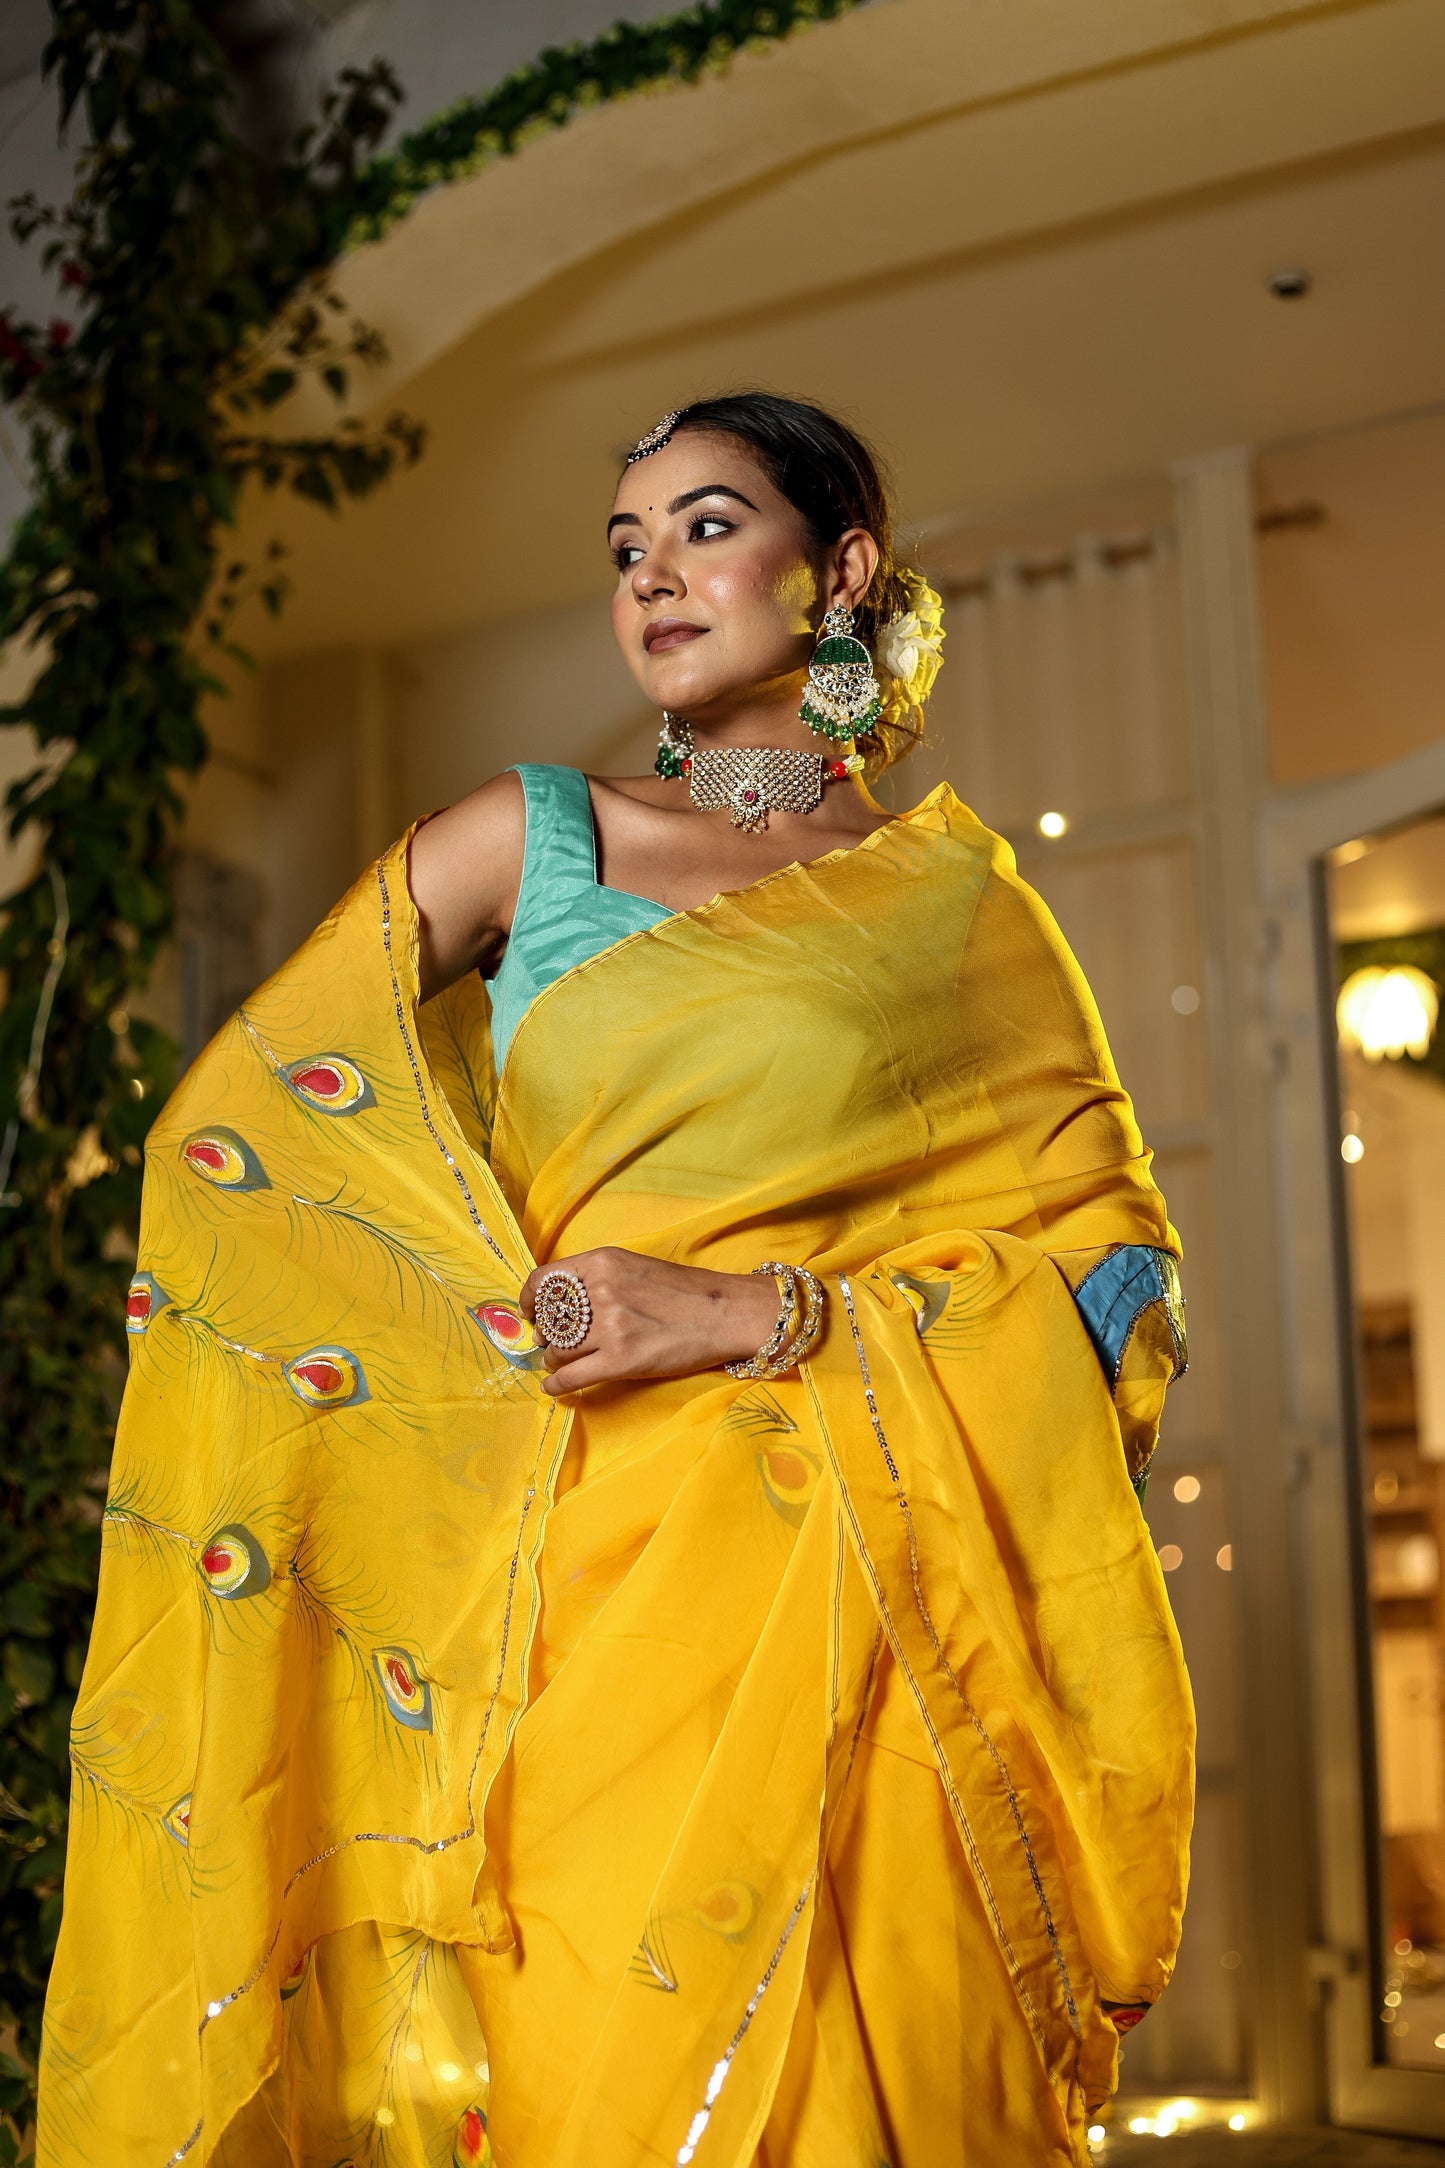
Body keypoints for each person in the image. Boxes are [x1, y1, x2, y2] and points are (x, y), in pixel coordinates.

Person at [39, 392, 1193, 2168]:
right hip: (580, 1601)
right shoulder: (530, 836)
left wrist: (754, 1316)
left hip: (888, 1606)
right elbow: (239, 1143)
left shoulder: (961, 905)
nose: (652, 574)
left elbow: (1116, 1282)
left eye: (708, 527)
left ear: (840, 572)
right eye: (625, 546)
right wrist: (482, 1338)